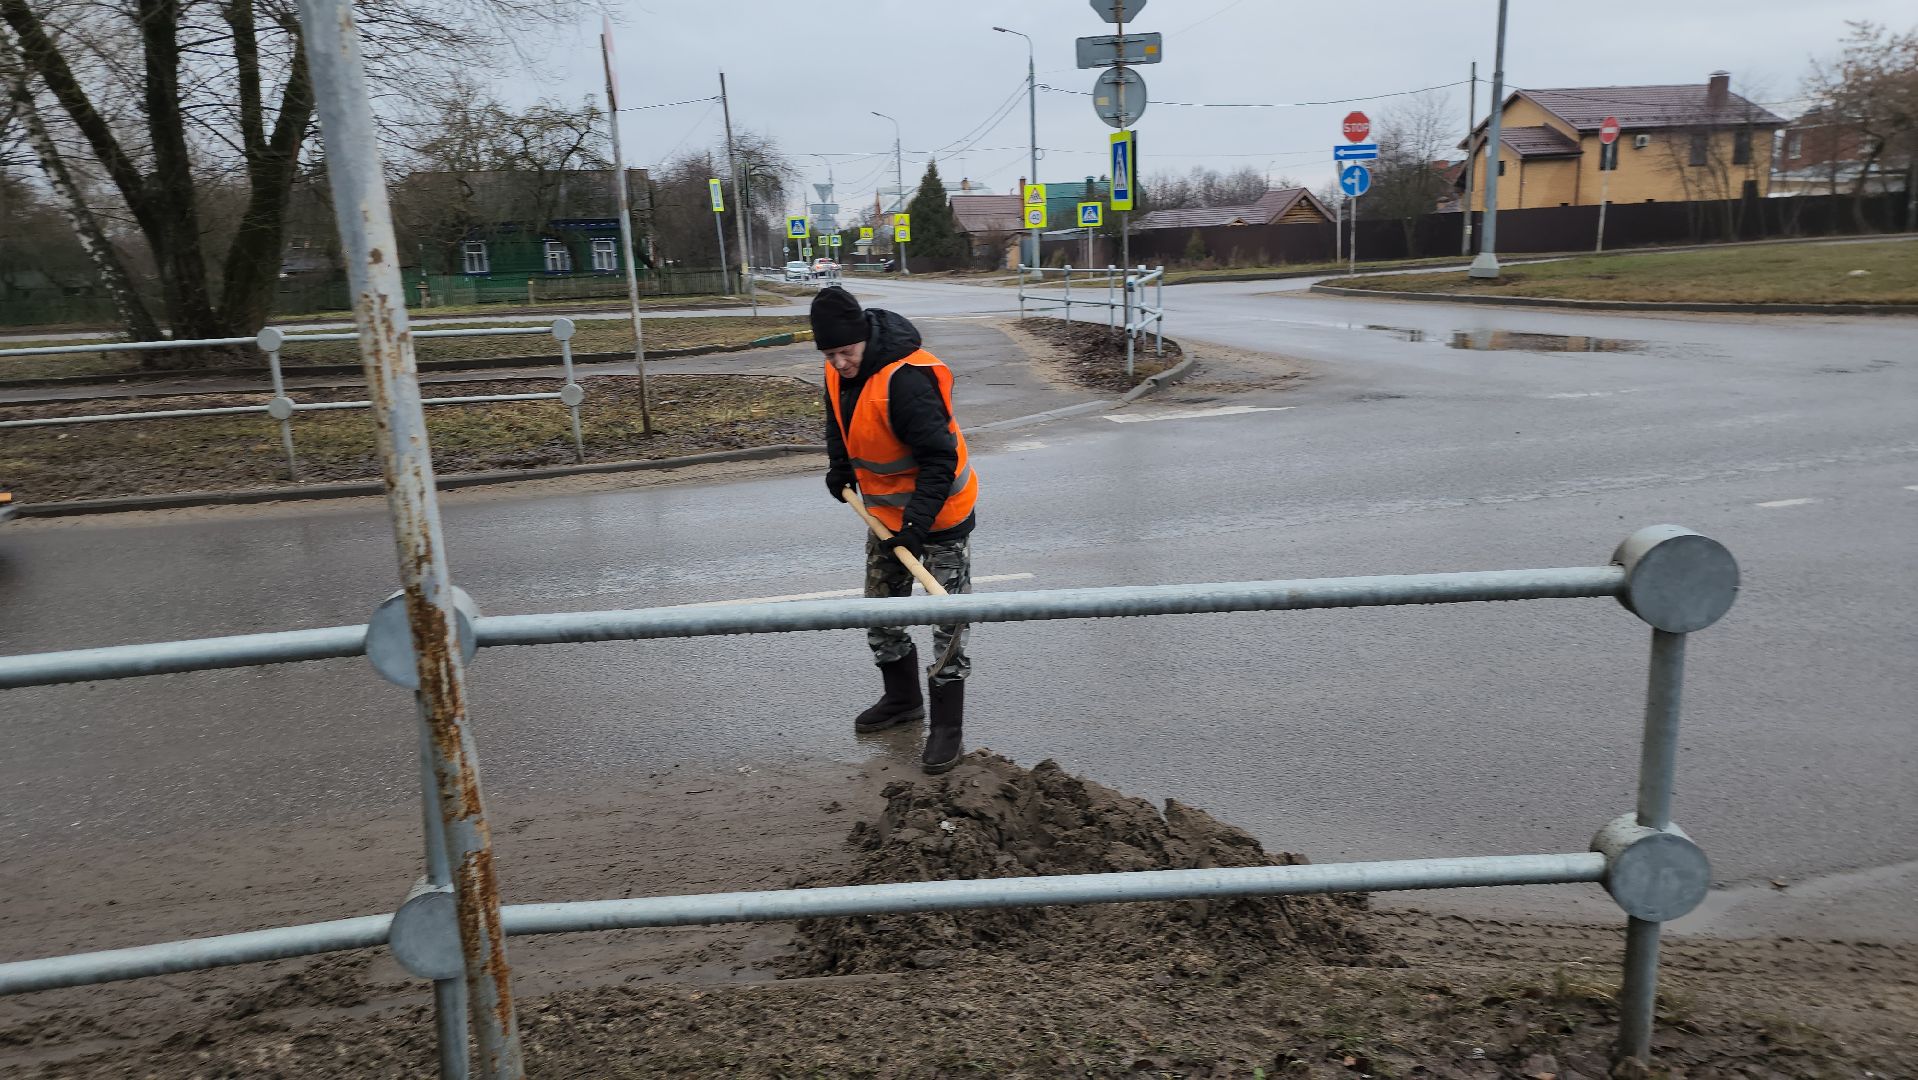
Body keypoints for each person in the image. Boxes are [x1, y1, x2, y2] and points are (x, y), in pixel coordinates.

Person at [812, 285, 978, 774]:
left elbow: (939, 459)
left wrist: (917, 526)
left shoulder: (905, 381)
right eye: (831, 354)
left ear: (863, 337)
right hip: (887, 517)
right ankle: (903, 699)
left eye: (847, 352)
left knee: (947, 624)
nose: (841, 363)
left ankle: (948, 728)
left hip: (940, 515)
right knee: (881, 611)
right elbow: (838, 419)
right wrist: (839, 465)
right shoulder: (836, 368)